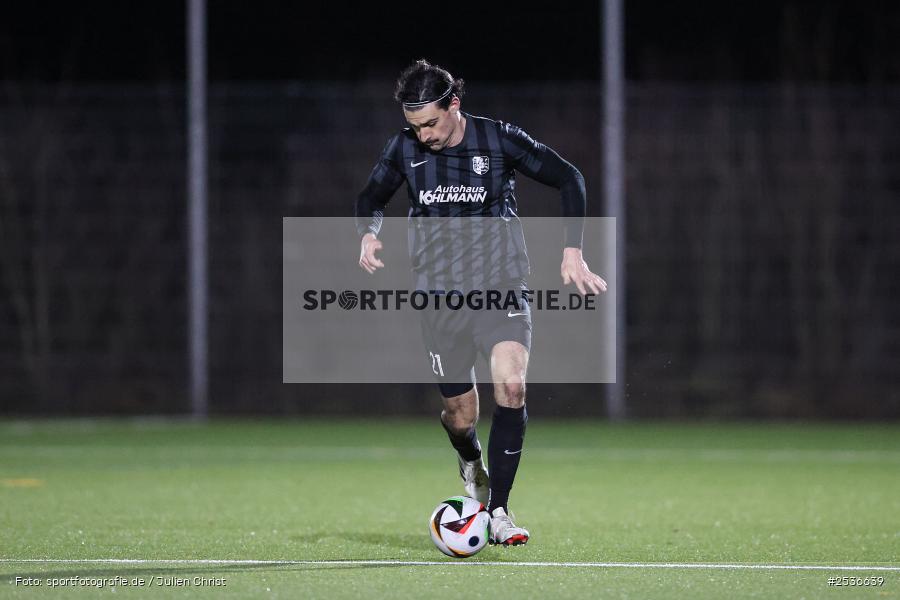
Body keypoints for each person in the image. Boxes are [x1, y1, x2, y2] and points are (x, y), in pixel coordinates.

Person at [355, 59, 606, 546]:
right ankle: (470, 460)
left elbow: (568, 177)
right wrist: (368, 234)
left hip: (501, 284)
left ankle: (500, 511)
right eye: (414, 125)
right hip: (438, 298)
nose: (423, 133)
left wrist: (572, 251)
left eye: (430, 121)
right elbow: (370, 197)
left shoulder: (498, 140)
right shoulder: (404, 149)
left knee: (511, 388)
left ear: (454, 104)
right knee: (460, 415)